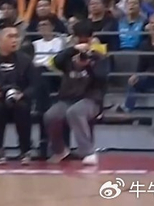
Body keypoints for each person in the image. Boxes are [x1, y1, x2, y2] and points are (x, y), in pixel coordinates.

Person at [43, 20, 109, 166]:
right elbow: (56, 62)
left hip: (91, 100)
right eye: (79, 38)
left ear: (91, 38)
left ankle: (88, 152)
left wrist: (89, 64)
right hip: (68, 98)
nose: (82, 41)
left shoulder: (100, 56)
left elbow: (102, 77)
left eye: (85, 39)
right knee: (51, 115)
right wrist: (72, 49)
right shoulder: (69, 55)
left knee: (75, 112)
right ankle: (60, 150)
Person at [0, 24, 39, 165]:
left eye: (16, 36)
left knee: (22, 108)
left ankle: (25, 150)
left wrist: (23, 94)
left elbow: (35, 84)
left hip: (20, 98)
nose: (15, 40)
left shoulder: (25, 60)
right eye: (10, 37)